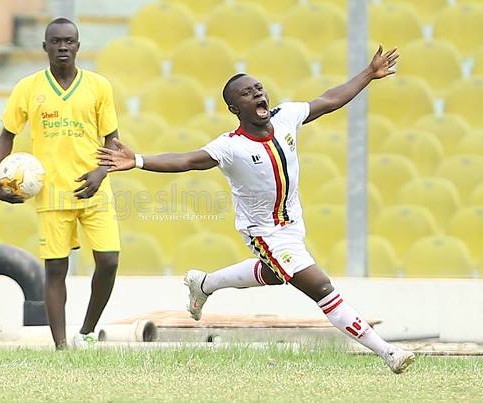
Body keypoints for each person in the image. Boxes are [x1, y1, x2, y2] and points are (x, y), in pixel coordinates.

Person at [98, 45, 415, 373]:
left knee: (276, 275)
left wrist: (368, 74)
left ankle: (204, 283)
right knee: (321, 288)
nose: (257, 94)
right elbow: (187, 160)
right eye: (247, 94)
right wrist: (137, 160)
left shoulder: (287, 116)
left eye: (259, 88)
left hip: (293, 223)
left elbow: (330, 99)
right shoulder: (230, 146)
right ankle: (388, 352)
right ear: (235, 108)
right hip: (264, 232)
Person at [0, 18, 120, 349]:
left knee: (109, 260)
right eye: (56, 41)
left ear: (78, 46)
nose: (63, 47)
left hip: (94, 188)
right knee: (56, 269)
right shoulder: (28, 88)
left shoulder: (98, 86)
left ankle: (86, 332)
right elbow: (7, 136)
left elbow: (113, 140)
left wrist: (101, 172)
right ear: (45, 47)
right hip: (51, 192)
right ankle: (61, 347)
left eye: (69, 41)